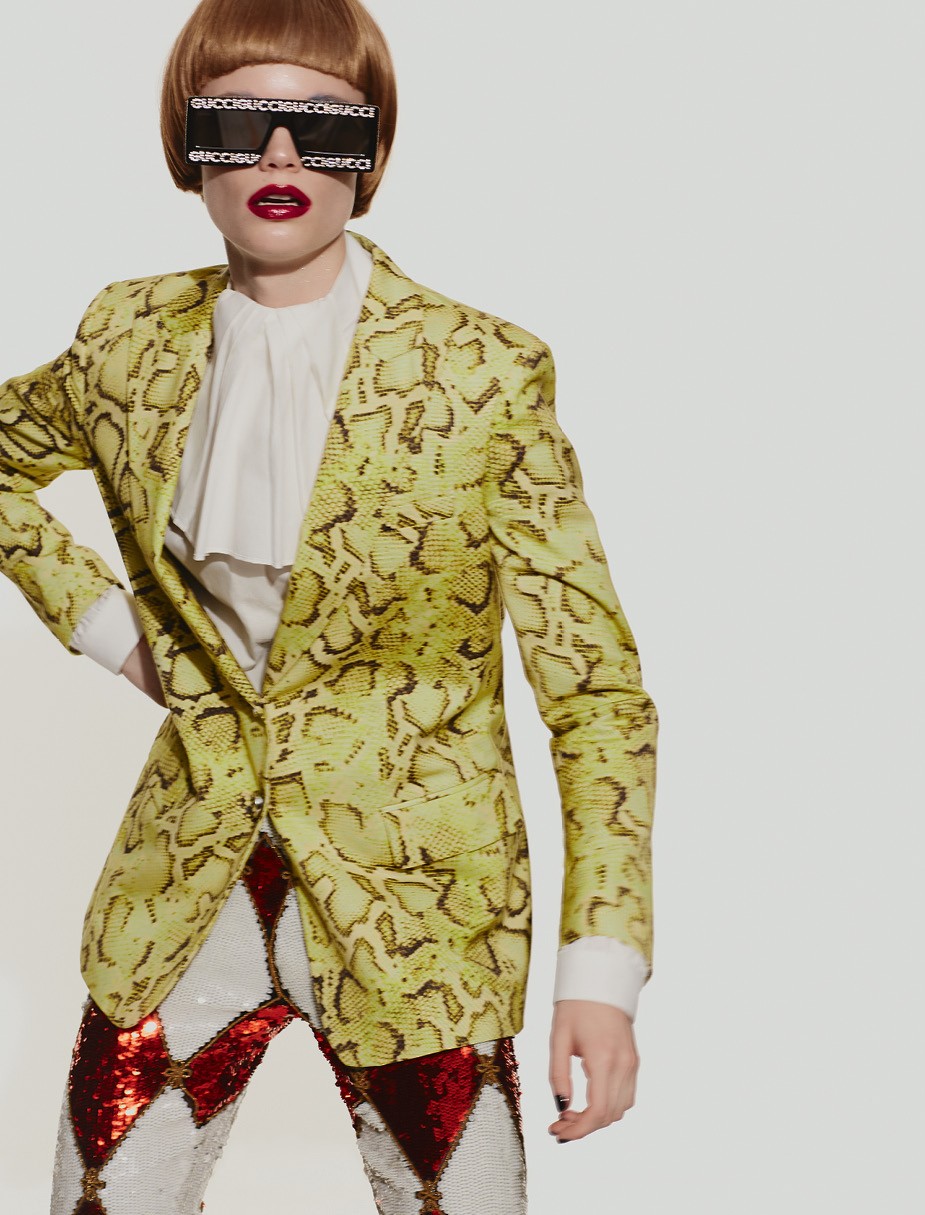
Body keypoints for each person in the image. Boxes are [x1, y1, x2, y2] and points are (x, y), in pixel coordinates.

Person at [0, 0, 659, 1210]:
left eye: (327, 128)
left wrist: (601, 967)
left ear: (376, 152)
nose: (281, 156)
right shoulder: (125, 339)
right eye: (238, 121)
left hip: (420, 911)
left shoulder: (484, 373)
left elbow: (596, 694)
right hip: (181, 888)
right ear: (185, 143)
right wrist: (105, 629)